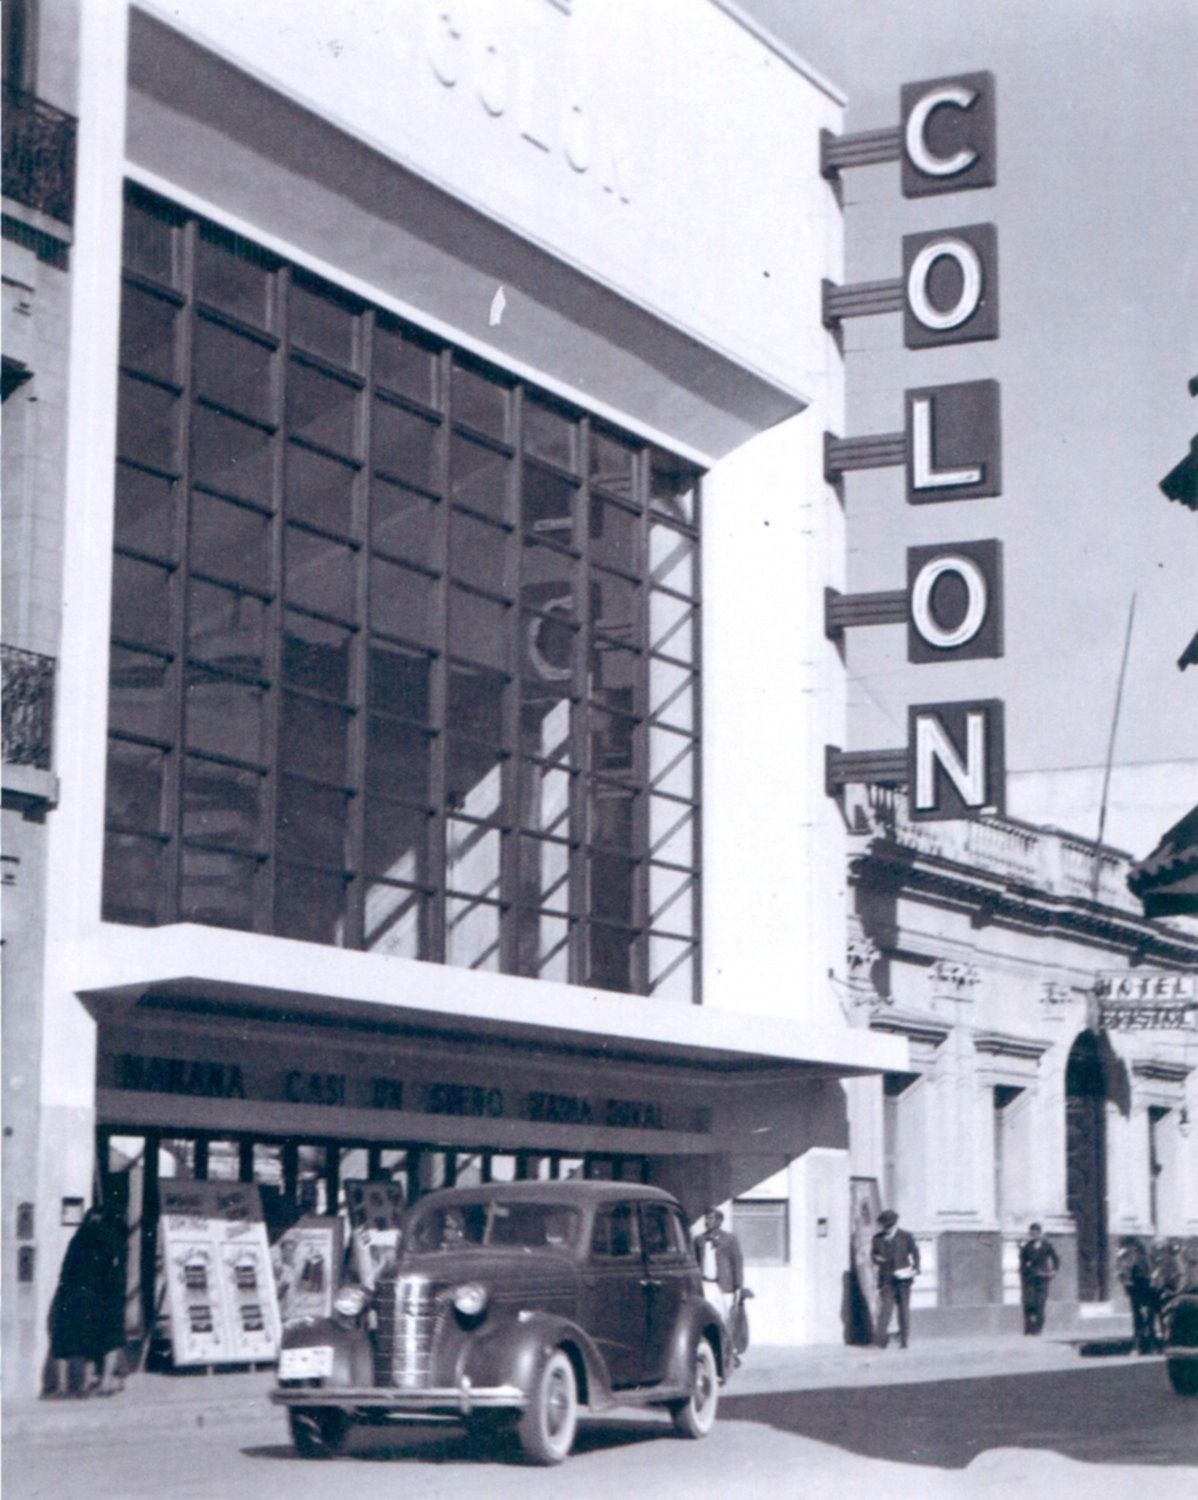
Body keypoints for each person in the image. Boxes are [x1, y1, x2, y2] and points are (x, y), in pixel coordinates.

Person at [49, 1204, 126, 1397]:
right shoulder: (111, 1239)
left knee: (69, 1341)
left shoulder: (78, 1238)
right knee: (108, 1338)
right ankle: (102, 1382)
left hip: (74, 1293)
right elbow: (114, 1271)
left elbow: (65, 1270)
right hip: (104, 1294)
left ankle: (68, 1386)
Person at [694, 1209, 746, 1362]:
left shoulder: (730, 1239)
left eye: (710, 1218)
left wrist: (739, 1286)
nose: (707, 1221)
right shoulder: (699, 1240)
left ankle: (730, 1353)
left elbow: (737, 1263)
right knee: (710, 1317)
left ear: (719, 1220)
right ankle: (715, 1353)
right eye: (706, 1218)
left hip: (725, 1286)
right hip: (706, 1284)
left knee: (726, 1319)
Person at [870, 1209, 920, 1349]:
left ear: (894, 1224)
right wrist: (877, 1259)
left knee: (903, 1310)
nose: (887, 1229)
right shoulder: (877, 1238)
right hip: (886, 1281)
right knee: (885, 1310)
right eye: (885, 1226)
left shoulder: (906, 1236)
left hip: (903, 1280)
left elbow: (915, 1252)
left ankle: (904, 1340)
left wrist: (915, 1268)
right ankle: (880, 1342)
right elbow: (873, 1256)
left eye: (889, 1226)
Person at [1116, 1235, 1156, 1353]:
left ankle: (1140, 1344)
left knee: (1140, 1317)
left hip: (1141, 1287)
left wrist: (1126, 1283)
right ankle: (1146, 1343)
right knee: (1146, 1317)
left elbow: (1124, 1273)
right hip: (1142, 1288)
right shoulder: (1140, 1256)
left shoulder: (1132, 1256)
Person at [1018, 1222, 1059, 1335]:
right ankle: (1029, 1328)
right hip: (1030, 1279)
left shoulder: (1047, 1245)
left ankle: (1038, 1329)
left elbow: (1055, 1258)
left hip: (1043, 1278)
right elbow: (1022, 1261)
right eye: (1032, 1233)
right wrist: (1024, 1273)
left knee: (1040, 1303)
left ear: (1040, 1233)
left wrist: (1053, 1271)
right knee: (1030, 1302)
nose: (1034, 1235)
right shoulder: (1028, 1246)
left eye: (1036, 1233)